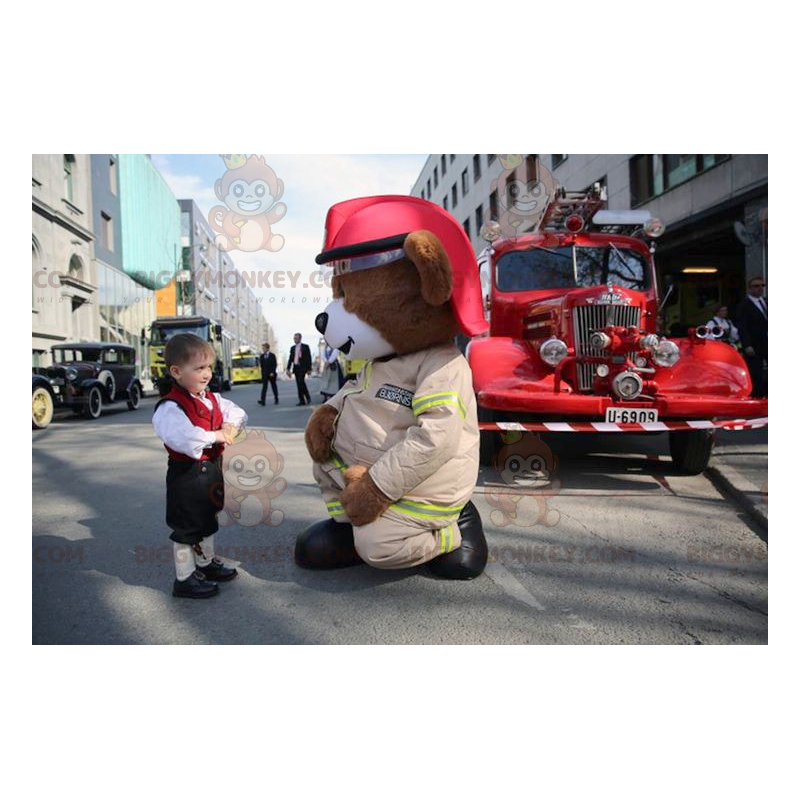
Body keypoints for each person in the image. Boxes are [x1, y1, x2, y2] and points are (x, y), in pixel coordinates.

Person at [152, 333, 248, 599]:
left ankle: (205, 562)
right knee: (187, 527)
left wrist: (229, 425)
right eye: (198, 368)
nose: (206, 374)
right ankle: (184, 578)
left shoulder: (212, 398)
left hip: (211, 470)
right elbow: (182, 437)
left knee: (207, 519)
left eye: (208, 367)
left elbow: (236, 412)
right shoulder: (170, 407)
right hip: (187, 475)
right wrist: (215, 435)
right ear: (176, 371)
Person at [735, 277, 768, 397]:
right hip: (755, 343)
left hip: (767, 340)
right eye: (756, 286)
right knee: (756, 371)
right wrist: (747, 345)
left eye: (762, 286)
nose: (760, 288)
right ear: (749, 289)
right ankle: (757, 395)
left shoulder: (765, 302)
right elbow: (742, 327)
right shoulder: (744, 306)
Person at [287, 332, 312, 406]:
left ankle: (305, 398)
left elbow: (309, 358)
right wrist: (288, 368)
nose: (295, 340)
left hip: (303, 368)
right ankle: (303, 399)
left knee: (301, 382)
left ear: (300, 338)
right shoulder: (292, 348)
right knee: (299, 384)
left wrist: (309, 369)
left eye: (296, 338)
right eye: (294, 338)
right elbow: (290, 359)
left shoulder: (305, 347)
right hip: (296, 368)